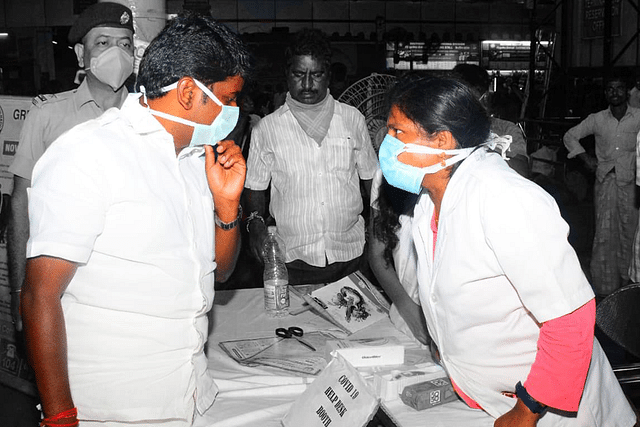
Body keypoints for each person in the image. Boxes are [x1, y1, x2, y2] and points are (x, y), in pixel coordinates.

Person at [21, 13, 250, 427]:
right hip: (112, 406)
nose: (233, 111)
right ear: (187, 92)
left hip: (188, 391)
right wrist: (59, 418)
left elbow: (220, 275)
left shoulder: (198, 158)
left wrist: (227, 208)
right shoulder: (89, 154)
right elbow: (40, 296)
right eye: (229, 98)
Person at [378, 75, 636, 426]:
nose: (386, 144)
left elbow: (570, 317)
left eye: (397, 133)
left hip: (546, 410)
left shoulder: (504, 199)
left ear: (440, 140)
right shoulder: (429, 201)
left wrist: (526, 409)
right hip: (487, 395)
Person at [8, 1, 135, 331]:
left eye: (125, 44)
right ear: (81, 55)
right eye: (103, 43)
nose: (116, 53)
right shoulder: (48, 116)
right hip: (61, 292)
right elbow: (22, 201)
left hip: (131, 291)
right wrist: (21, 290)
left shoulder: (147, 117)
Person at [244, 28, 378, 285]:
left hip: (351, 254)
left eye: (316, 75)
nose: (307, 84)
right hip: (293, 259)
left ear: (328, 75)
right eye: (298, 74)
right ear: (287, 75)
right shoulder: (267, 129)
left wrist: (378, 230)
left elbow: (371, 178)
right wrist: (255, 225)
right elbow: (255, 187)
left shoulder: (351, 119)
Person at [563, 75, 640, 297]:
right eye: (610, 89)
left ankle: (630, 283)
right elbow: (570, 136)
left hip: (632, 185)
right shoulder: (597, 119)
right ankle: (606, 286)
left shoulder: (637, 118)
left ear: (627, 92)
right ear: (606, 93)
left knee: (630, 231)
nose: (615, 93)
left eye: (619, 88)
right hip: (605, 182)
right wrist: (585, 159)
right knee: (604, 232)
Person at [368, 168, 428, 344]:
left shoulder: (469, 177)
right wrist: (408, 310)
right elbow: (377, 255)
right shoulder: (385, 173)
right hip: (406, 322)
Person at [453, 63, 530, 178]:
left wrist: (483, 151)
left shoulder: (505, 130)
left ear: (485, 99)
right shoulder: (444, 129)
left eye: (468, 101)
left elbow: (522, 171)